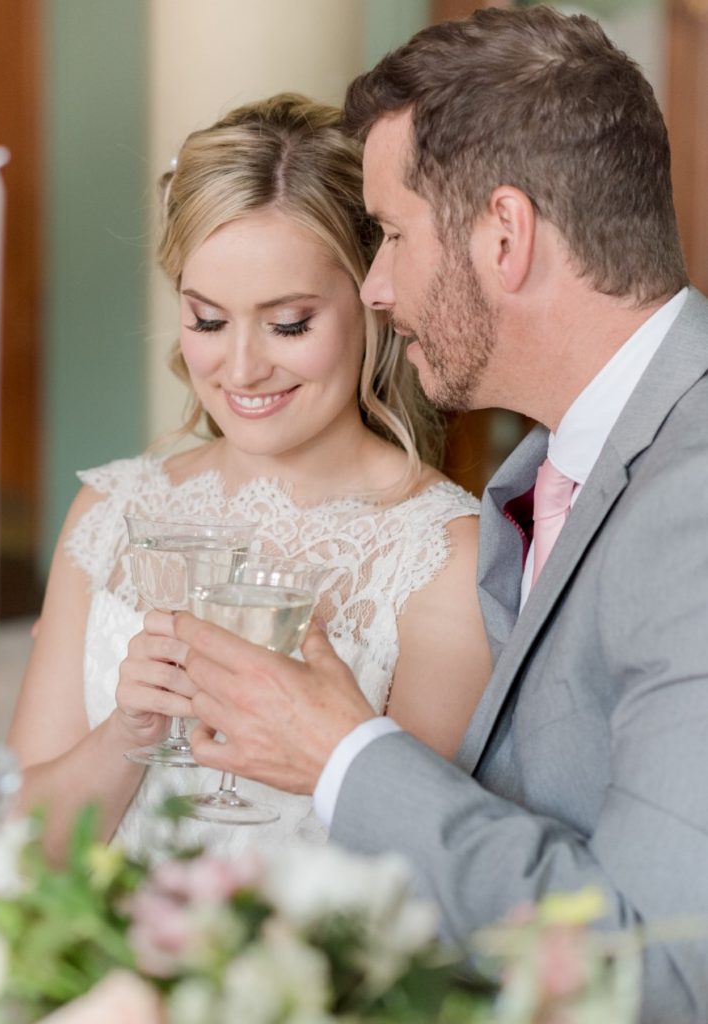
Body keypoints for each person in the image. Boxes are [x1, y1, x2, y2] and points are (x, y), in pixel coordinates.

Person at [171, 9, 708, 1022]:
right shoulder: (555, 463)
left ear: (502, 235)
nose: (373, 287)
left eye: (393, 234)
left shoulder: (697, 503)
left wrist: (343, 752)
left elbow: (661, 968)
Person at [8, 93, 491, 862]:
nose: (240, 368)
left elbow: (430, 876)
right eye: (207, 320)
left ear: (372, 299)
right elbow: (20, 850)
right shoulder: (111, 510)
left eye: (289, 323)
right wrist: (127, 735)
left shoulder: (444, 558)